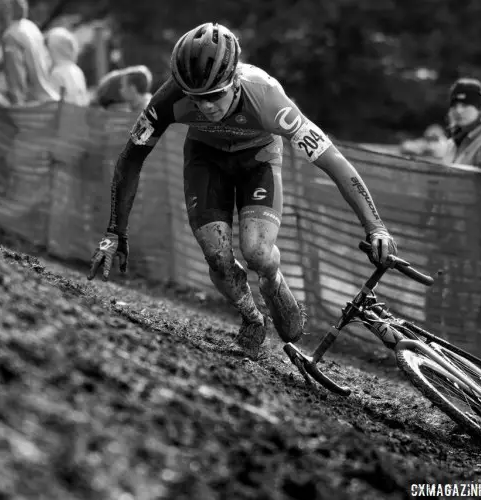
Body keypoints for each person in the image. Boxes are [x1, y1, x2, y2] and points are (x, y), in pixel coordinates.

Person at [86, 22, 397, 360]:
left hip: (258, 159)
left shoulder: (267, 99)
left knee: (257, 253)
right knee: (217, 257)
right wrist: (115, 230)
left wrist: (375, 226)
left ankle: (273, 279)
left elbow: (334, 162)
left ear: (234, 81)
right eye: (196, 98)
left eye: (213, 96)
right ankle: (252, 319)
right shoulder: (169, 97)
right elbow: (131, 158)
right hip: (206, 159)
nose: (205, 107)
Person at [0, 0, 59, 105]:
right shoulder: (31, 27)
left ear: (4, 10)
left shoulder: (10, 36)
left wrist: (14, 105)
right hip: (50, 99)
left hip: (34, 107)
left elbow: (17, 84)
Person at [441, 78, 481, 170]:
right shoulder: (452, 142)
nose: (458, 111)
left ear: (479, 108)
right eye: (454, 106)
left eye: (465, 105)